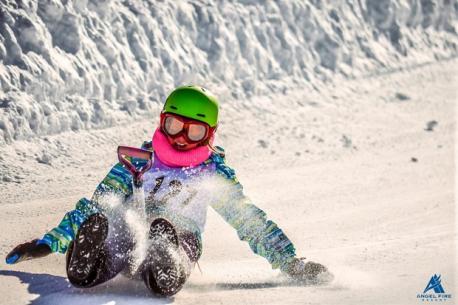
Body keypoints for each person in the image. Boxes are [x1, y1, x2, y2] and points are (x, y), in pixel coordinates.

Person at [5, 85, 332, 297]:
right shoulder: (139, 161)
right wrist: (51, 242)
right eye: (175, 125)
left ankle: (165, 265)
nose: (180, 138)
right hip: (130, 233)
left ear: (209, 135)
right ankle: (88, 262)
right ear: (163, 121)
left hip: (181, 236)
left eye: (194, 130)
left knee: (172, 238)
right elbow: (98, 203)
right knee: (114, 223)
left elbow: (249, 220)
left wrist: (290, 262)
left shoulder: (212, 173)